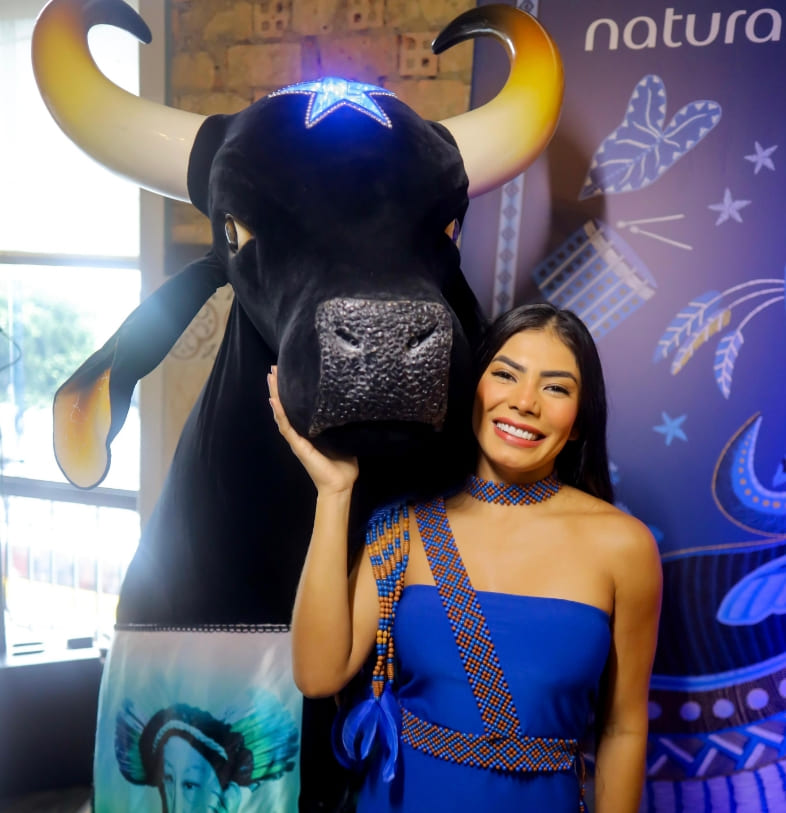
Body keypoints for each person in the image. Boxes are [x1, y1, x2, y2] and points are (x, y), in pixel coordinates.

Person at [268, 302, 662, 813]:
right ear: (472, 388)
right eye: (506, 375)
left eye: (555, 388)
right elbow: (318, 676)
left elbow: (623, 728)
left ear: (579, 422)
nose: (524, 402)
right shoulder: (404, 527)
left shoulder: (624, 546)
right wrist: (334, 492)